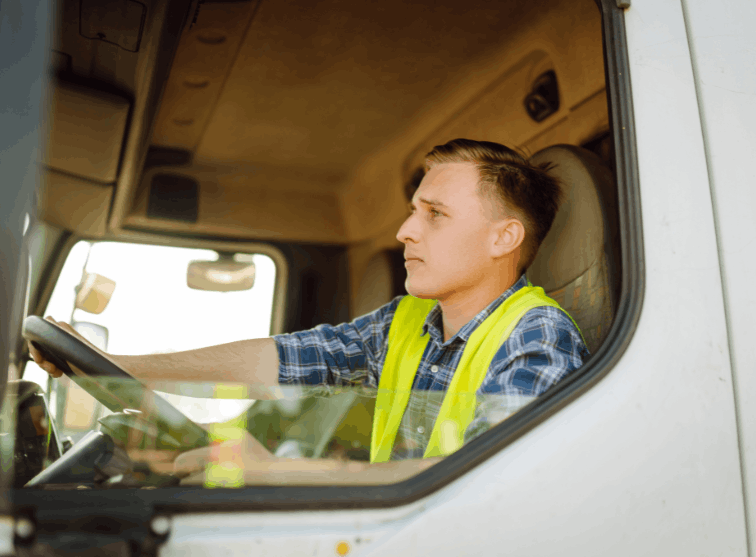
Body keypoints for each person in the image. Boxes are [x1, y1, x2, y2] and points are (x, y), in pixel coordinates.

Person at [31, 138, 589, 483]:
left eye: (435, 214)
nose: (404, 230)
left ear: (504, 238)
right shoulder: (405, 322)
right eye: (412, 210)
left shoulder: (537, 337)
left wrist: (277, 473)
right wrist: (118, 366)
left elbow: (488, 481)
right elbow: (277, 359)